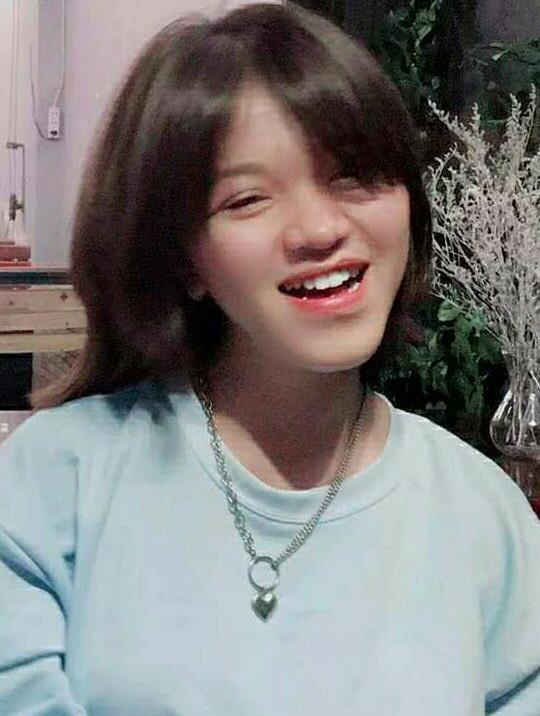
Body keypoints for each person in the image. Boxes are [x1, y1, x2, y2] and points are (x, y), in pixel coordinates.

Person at [0, 3, 539, 714]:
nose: (318, 229)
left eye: (353, 176)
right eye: (248, 198)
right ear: (183, 258)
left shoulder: (485, 515)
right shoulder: (52, 484)